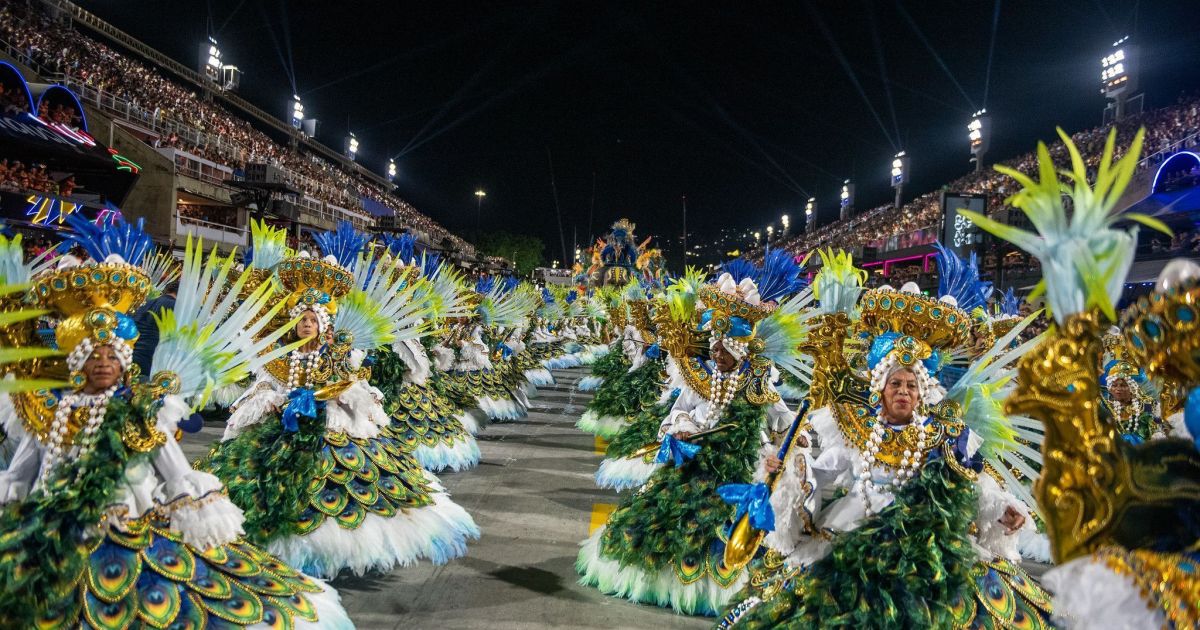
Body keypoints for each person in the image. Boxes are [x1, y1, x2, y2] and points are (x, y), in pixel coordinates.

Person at [0, 217, 352, 627]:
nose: (103, 366)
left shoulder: (140, 413)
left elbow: (174, 470)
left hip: (129, 529)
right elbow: (20, 475)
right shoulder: (51, 413)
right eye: (94, 358)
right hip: (54, 535)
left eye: (112, 358)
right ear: (77, 364)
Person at [199, 222, 479, 578]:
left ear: (323, 324)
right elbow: (262, 385)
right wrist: (274, 399)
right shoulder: (277, 355)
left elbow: (354, 387)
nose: (306, 325)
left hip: (332, 425)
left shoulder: (340, 355)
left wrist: (330, 396)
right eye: (301, 319)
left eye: (312, 320)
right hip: (282, 424)